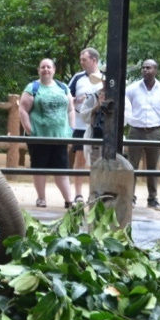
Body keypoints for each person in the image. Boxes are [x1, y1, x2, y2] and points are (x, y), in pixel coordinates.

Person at [18, 58, 75, 209]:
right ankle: (41, 198)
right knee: (39, 167)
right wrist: (30, 130)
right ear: (39, 70)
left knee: (61, 168)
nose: (46, 70)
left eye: (49, 67)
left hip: (59, 137)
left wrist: (71, 129)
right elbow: (23, 109)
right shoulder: (32, 88)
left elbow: (70, 109)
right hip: (39, 136)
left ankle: (69, 200)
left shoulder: (63, 87)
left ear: (54, 70)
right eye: (43, 67)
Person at [124, 59, 160, 211]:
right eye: (143, 68)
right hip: (136, 131)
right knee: (131, 165)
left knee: (153, 167)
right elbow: (124, 108)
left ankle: (152, 199)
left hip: (154, 131)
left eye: (148, 68)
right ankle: (130, 198)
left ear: (156, 70)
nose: (145, 70)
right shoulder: (132, 89)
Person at [67, 48, 101, 204]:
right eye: (80, 59)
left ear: (94, 60)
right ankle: (78, 194)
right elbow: (66, 98)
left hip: (98, 127)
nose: (81, 62)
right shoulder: (77, 78)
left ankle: (95, 192)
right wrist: (76, 100)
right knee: (80, 159)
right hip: (80, 125)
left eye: (84, 59)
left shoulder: (104, 78)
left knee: (97, 161)